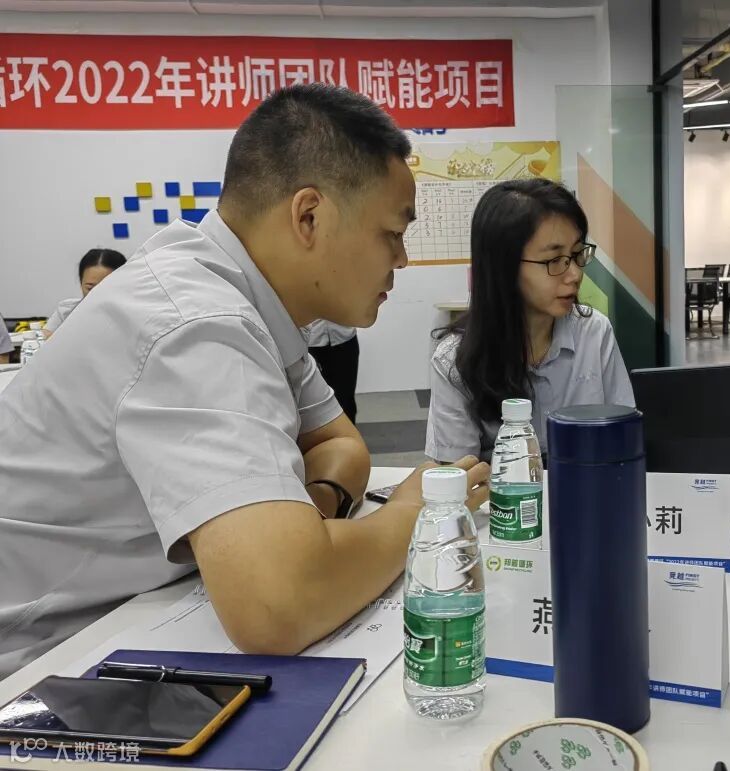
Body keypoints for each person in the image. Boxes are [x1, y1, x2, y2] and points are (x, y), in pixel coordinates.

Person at [0, 84, 489, 679]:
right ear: (308, 216)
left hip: (130, 615)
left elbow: (341, 445)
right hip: (36, 660)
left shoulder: (250, 299)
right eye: (392, 233)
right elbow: (279, 605)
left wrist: (311, 510)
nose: (403, 259)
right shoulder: (198, 323)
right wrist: (415, 513)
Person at [426, 178, 635, 463]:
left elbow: (623, 439)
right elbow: (457, 474)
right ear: (505, 266)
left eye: (576, 254)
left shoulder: (594, 333)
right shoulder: (453, 360)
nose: (575, 274)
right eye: (554, 260)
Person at [43, 248, 127, 338]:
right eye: (90, 288)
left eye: (105, 289)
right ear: (81, 282)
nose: (96, 295)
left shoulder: (132, 318)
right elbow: (45, 338)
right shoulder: (66, 311)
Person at [304, 320, 360, 424]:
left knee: (346, 398)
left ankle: (348, 432)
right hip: (312, 343)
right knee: (314, 402)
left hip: (344, 339)